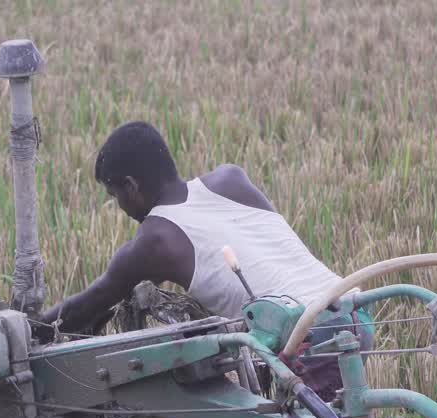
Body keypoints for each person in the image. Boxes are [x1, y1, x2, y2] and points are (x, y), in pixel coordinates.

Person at [38, 120, 370, 398]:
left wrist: (27, 331)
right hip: (353, 311)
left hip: (308, 338)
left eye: (116, 196)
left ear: (131, 186)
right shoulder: (230, 179)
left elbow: (87, 305)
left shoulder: (156, 239)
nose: (121, 208)